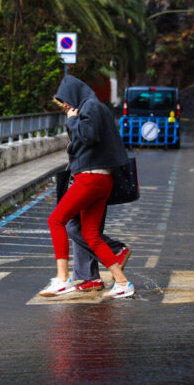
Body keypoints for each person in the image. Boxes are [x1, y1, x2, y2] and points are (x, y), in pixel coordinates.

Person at [39, 75, 134, 299]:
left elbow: (88, 136)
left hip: (90, 178)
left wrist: (72, 121)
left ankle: (62, 279)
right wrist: (74, 121)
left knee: (56, 220)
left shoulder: (90, 106)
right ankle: (123, 283)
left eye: (65, 100)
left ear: (74, 93)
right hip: (101, 179)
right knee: (90, 234)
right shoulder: (96, 107)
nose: (65, 105)